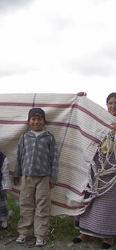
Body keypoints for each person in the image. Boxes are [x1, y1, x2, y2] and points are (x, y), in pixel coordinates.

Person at [72, 92, 116, 250]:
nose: (113, 106)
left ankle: (108, 236)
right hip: (96, 162)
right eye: (110, 103)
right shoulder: (101, 120)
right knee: (89, 198)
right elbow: (85, 122)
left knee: (109, 203)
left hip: (113, 168)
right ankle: (85, 232)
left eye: (115, 103)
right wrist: (81, 100)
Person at [13, 108, 58, 247]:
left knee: (42, 206)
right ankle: (23, 232)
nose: (36, 122)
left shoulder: (49, 137)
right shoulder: (25, 137)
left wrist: (53, 178)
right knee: (26, 205)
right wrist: (16, 173)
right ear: (29, 121)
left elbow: (54, 158)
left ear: (44, 121)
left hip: (44, 177)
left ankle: (40, 234)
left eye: (39, 119)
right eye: (33, 119)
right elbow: (19, 156)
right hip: (27, 176)